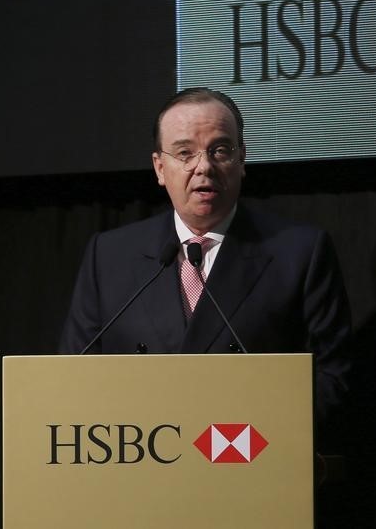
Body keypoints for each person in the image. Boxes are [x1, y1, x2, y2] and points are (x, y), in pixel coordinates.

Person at [59, 86, 353, 429]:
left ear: (241, 159)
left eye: (221, 150)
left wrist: (262, 435)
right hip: (142, 462)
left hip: (248, 460)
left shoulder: (299, 252)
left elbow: (334, 375)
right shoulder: (108, 256)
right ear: (159, 167)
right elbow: (74, 374)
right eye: (185, 153)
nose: (204, 167)